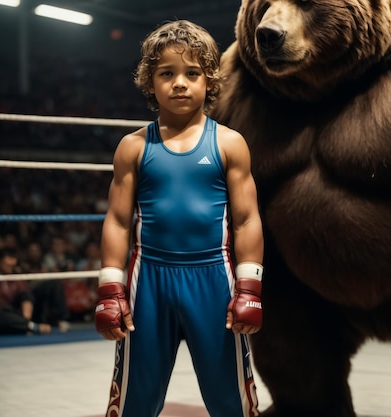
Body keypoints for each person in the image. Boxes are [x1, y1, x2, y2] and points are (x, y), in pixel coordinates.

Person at [95, 20, 264, 417]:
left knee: (231, 400)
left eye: (192, 73)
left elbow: (246, 219)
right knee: (135, 398)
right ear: (149, 81)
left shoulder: (229, 143)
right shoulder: (133, 147)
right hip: (148, 282)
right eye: (167, 73)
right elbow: (118, 221)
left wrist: (249, 286)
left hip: (214, 281)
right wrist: (110, 289)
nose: (180, 83)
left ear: (209, 79)